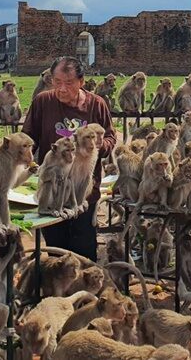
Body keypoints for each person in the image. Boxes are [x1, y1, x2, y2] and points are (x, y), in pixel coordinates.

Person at [22, 56, 116, 260]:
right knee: (57, 253)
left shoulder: (96, 104)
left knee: (84, 252)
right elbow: (28, 137)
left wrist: (100, 145)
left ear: (81, 82)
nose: (62, 89)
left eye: (69, 83)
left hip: (84, 191)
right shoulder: (43, 102)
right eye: (57, 82)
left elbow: (110, 137)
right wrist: (24, 163)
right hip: (54, 189)